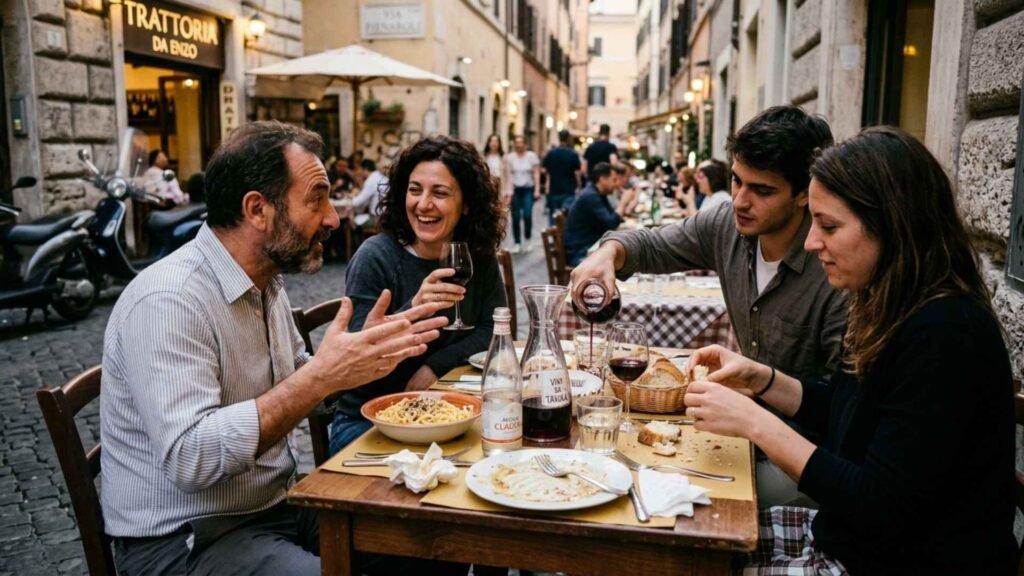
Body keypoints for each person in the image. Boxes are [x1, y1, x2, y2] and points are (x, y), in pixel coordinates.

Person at [100, 121, 449, 575]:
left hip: (275, 507)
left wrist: (363, 355)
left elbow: (299, 375)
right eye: (316, 198)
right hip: (186, 538)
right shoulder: (169, 300)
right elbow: (191, 458)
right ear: (257, 210)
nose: (332, 218)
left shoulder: (265, 282)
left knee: (432, 537)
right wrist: (323, 375)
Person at [687, 126, 1016, 574]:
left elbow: (878, 505)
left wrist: (755, 423)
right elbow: (848, 412)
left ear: (892, 224)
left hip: (893, 562)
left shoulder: (946, 333)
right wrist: (762, 380)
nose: (810, 242)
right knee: (690, 528)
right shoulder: (889, 300)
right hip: (846, 539)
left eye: (829, 226)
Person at [571, 106, 847, 507]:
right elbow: (651, 244)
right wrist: (608, 252)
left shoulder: (833, 267)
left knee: (658, 498)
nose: (739, 200)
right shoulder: (726, 225)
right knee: (603, 471)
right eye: (736, 181)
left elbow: (842, 408)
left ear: (805, 193)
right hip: (733, 434)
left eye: (762, 190)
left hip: (801, 460)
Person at [329, 135, 507, 455]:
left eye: (440, 193)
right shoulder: (376, 257)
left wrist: (433, 366)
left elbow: (493, 328)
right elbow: (355, 357)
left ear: (466, 204)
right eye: (415, 190)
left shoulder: (476, 256)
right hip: (368, 421)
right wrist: (414, 308)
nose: (423, 204)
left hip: (446, 416)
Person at [562, 162, 629, 266]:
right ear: (602, 179)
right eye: (613, 179)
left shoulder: (598, 193)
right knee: (623, 259)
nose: (616, 184)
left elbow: (614, 219)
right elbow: (611, 223)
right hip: (580, 252)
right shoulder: (590, 196)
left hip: (591, 245)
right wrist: (623, 203)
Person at [506, 134, 541, 254]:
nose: (519, 145)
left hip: (528, 189)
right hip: (515, 190)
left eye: (521, 142)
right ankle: (517, 242)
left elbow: (536, 173)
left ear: (525, 144)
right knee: (515, 217)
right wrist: (509, 191)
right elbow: (509, 175)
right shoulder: (510, 157)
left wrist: (537, 189)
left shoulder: (531, 156)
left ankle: (528, 239)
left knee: (527, 215)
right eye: (517, 142)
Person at [541, 129, 582, 225]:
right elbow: (578, 172)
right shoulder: (572, 154)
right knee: (566, 216)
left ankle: (553, 235)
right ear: (568, 139)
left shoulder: (551, 153)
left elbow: (544, 170)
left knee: (553, 215)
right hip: (568, 190)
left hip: (554, 189)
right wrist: (579, 185)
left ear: (559, 138)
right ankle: (563, 237)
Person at [351, 158, 386, 228]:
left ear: (365, 169)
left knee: (350, 221)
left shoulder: (371, 180)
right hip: (385, 216)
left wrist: (352, 196)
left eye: (361, 169)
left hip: (377, 218)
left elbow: (356, 202)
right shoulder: (381, 177)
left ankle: (358, 239)